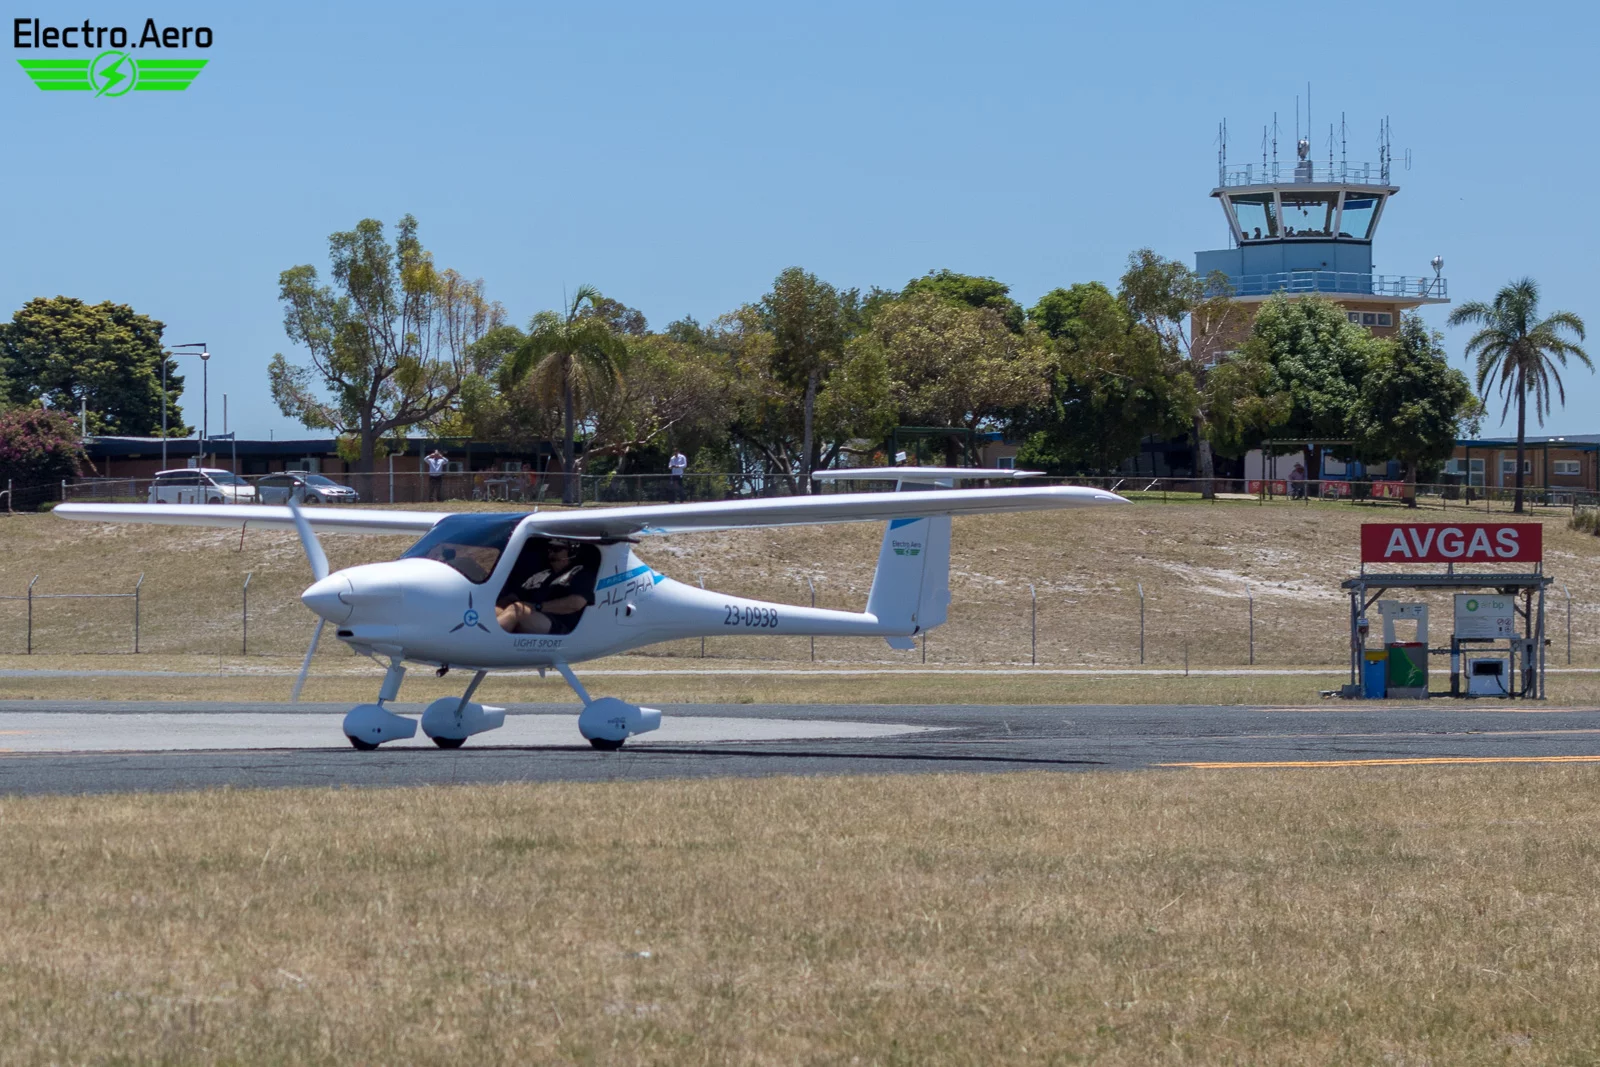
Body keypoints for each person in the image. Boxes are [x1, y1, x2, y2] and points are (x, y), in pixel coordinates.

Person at [495, 541, 595, 635]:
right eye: (549, 549)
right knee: (496, 610)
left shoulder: (580, 573)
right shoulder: (541, 575)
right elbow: (517, 595)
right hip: (532, 616)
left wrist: (537, 607)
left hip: (559, 623)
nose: (551, 553)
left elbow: (576, 603)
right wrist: (503, 603)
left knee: (517, 610)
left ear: (571, 552)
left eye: (556, 549)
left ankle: (490, 641)